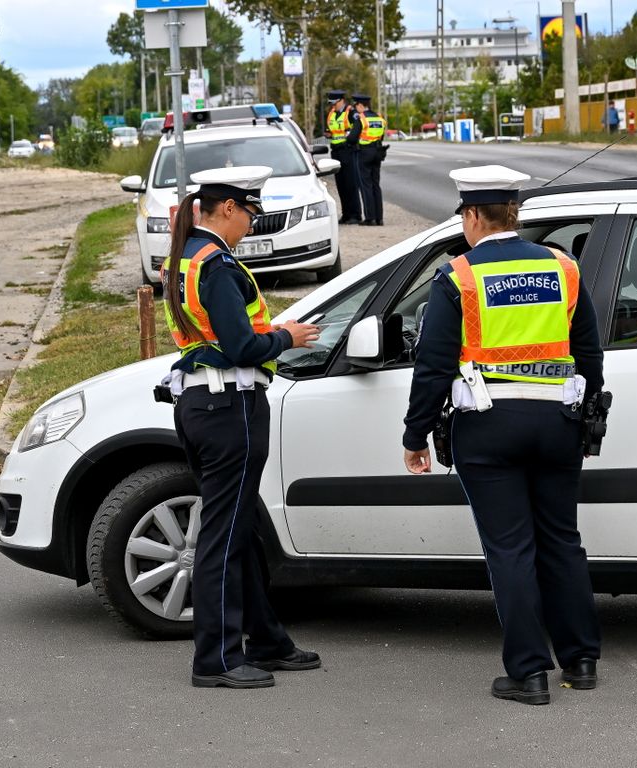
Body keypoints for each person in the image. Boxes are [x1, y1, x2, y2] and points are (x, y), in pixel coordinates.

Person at [402, 165, 604, 706]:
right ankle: (581, 659)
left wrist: (415, 434)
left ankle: (530, 673)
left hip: (488, 429)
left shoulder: (459, 278)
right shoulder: (564, 268)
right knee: (561, 540)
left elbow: (434, 366)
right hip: (558, 424)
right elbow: (589, 352)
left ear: (472, 216)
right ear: (513, 213)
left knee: (510, 548)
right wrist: (586, 412)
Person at [160, 166, 323, 689]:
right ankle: (217, 660)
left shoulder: (185, 258)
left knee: (243, 529)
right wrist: (287, 337)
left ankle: (268, 640)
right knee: (224, 539)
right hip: (230, 407)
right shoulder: (218, 266)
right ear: (227, 208)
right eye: (249, 214)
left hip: (204, 406)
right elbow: (241, 346)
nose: (251, 225)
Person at [325, 89, 362, 224]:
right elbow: (332, 130)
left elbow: (358, 129)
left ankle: (355, 215)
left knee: (351, 183)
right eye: (331, 103)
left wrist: (350, 138)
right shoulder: (331, 114)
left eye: (335, 103)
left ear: (341, 100)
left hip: (348, 150)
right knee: (341, 185)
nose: (333, 106)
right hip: (336, 151)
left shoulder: (351, 112)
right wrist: (328, 134)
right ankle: (346, 214)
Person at [352, 93, 386, 226]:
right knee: (376, 185)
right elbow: (381, 136)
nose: (356, 108)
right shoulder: (379, 118)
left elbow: (352, 138)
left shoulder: (362, 119)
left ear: (361, 105)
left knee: (366, 186)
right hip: (377, 152)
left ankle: (370, 218)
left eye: (356, 106)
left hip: (364, 153)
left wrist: (351, 141)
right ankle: (379, 218)